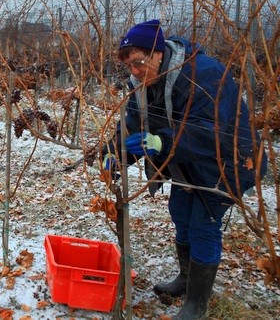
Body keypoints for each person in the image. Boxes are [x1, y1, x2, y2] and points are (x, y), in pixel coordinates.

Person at [101, 19, 267, 319]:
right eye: (130, 66)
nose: (135, 71)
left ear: (159, 54)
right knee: (181, 212)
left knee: (203, 223)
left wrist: (160, 141)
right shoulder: (141, 83)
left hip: (226, 163)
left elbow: (211, 132)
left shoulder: (203, 75)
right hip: (186, 163)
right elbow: (131, 124)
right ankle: (186, 279)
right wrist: (114, 154)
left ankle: (197, 303)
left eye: (139, 63)